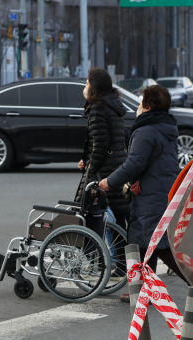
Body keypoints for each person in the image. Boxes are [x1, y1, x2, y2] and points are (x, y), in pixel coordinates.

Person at [98, 85, 187, 302]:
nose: (138, 106)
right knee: (143, 242)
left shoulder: (146, 130)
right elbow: (153, 163)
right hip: (157, 189)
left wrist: (109, 182)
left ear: (147, 106)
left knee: (158, 245)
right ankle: (142, 291)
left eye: (140, 102)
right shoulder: (165, 126)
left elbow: (135, 163)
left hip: (152, 195)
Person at [75, 67, 129, 276]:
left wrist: (90, 166)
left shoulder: (98, 107)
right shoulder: (114, 105)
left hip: (104, 170)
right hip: (117, 165)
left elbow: (100, 144)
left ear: (95, 85)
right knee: (119, 218)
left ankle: (107, 264)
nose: (86, 86)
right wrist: (85, 159)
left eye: (88, 82)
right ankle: (123, 265)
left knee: (96, 216)